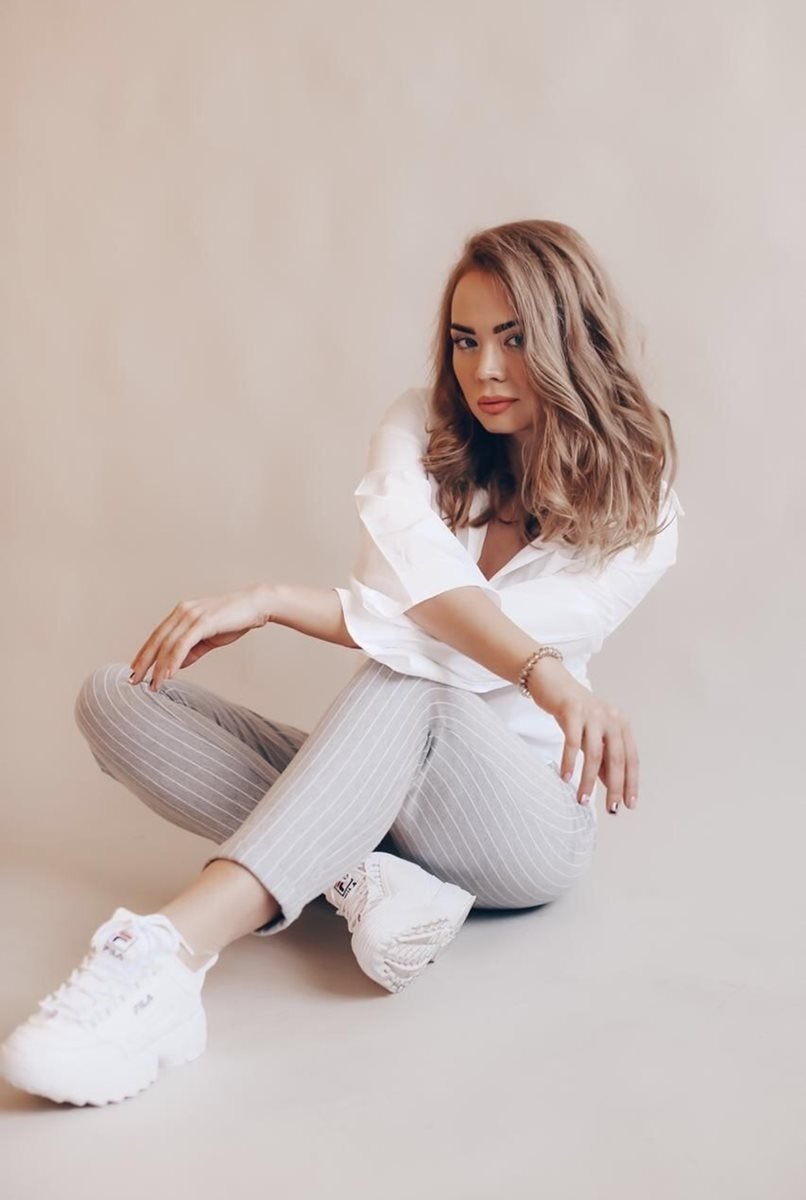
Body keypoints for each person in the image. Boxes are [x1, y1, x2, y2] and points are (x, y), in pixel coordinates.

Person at [0, 219, 684, 1107]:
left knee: (415, 686)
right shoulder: (420, 427)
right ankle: (371, 877)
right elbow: (420, 595)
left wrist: (292, 605)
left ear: (566, 339)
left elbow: (442, 641)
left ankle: (168, 956)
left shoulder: (642, 492)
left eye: (514, 339)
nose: (484, 369)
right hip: (390, 787)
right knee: (116, 698)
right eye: (466, 340)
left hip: (528, 825)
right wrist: (271, 598)